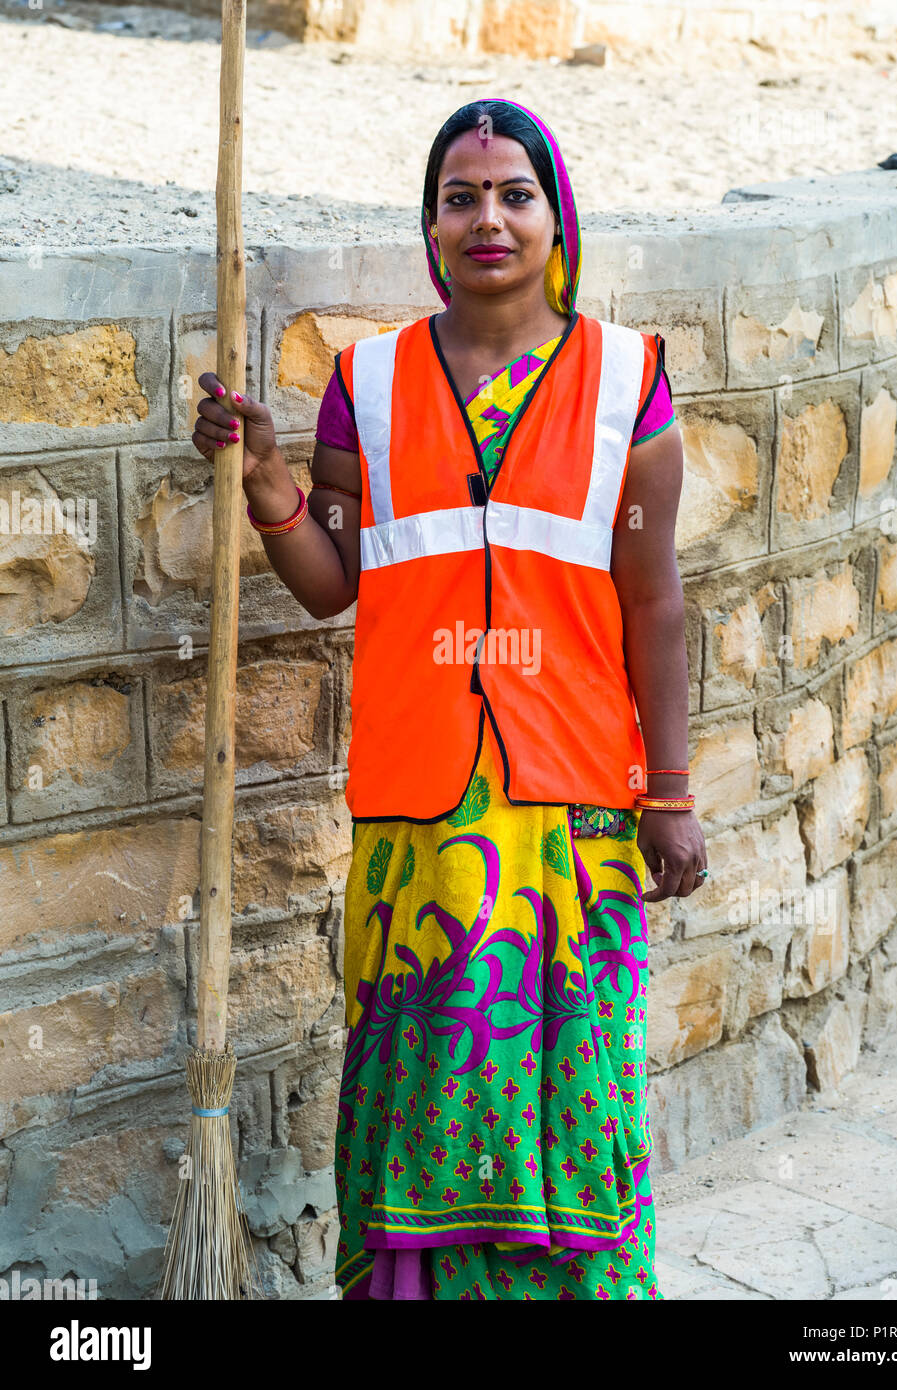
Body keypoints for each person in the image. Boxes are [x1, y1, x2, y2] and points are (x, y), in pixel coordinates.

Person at [192, 97, 708, 1301]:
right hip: (417, 817)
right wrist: (269, 477)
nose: (488, 218)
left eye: (513, 193)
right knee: (420, 1088)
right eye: (461, 195)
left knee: (572, 1096)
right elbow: (330, 581)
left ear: (556, 216)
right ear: (428, 223)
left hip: (571, 814)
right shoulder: (363, 386)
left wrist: (669, 791)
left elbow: (653, 604)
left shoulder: (626, 382)